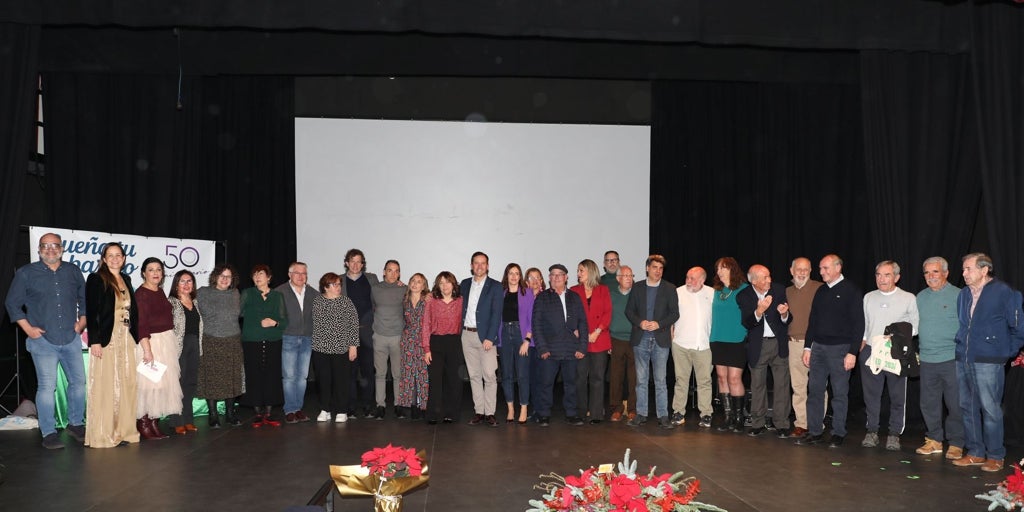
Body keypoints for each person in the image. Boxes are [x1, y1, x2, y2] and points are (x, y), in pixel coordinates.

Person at [5, 233, 87, 449]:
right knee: (46, 387)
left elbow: (84, 298)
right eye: (45, 245)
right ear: (40, 248)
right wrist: (28, 329)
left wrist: (83, 321)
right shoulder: (26, 273)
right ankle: (49, 432)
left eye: (55, 245)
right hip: (42, 342)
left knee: (79, 384)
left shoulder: (73, 271)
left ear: (62, 248)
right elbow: (12, 304)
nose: (50, 249)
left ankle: (76, 424)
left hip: (70, 338)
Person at [951, 253, 1024, 472]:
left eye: (968, 269)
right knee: (967, 406)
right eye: (963, 269)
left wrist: (1004, 353)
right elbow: (964, 326)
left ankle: (995, 455)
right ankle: (975, 452)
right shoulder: (963, 294)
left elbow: (1018, 327)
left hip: (989, 360)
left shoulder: (1004, 292)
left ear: (984, 270)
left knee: (990, 408)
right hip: (964, 357)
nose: (964, 273)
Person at [798, 254, 864, 448]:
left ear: (838, 268)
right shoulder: (820, 291)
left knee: (839, 393)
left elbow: (858, 324)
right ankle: (815, 431)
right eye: (820, 268)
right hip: (818, 348)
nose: (821, 272)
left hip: (841, 349)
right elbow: (813, 321)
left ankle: (838, 432)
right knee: (815, 391)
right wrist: (808, 347)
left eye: (825, 268)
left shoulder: (851, 290)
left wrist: (853, 352)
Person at [84, 242, 140, 448]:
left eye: (118, 255)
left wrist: (136, 336)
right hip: (107, 339)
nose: (115, 258)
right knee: (107, 385)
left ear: (124, 259)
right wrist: (95, 341)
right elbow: (92, 312)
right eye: (110, 255)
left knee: (127, 385)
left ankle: (123, 431)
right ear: (104, 259)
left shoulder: (126, 279)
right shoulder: (96, 279)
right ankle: (104, 433)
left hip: (126, 338)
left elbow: (133, 311)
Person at [860, 260, 919, 451]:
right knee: (871, 396)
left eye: (886, 275)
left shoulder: (908, 298)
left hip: (895, 353)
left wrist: (898, 337)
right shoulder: (869, 297)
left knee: (897, 395)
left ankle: (894, 434)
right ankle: (872, 431)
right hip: (871, 351)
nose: (882, 279)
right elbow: (865, 325)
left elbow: (916, 326)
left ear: (896, 277)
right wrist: (862, 345)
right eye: (878, 275)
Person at [915, 256, 964, 460]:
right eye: (927, 273)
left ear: (945, 273)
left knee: (955, 403)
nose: (930, 276)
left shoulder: (960, 295)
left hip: (952, 359)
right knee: (928, 402)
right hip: (926, 359)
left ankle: (956, 443)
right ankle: (934, 440)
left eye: (935, 272)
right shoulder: (920, 297)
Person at [625, 255, 680, 429]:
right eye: (655, 267)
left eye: (661, 268)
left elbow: (674, 314)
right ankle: (641, 414)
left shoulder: (670, 288)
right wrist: (640, 322)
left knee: (660, 380)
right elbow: (629, 311)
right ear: (647, 268)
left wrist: (659, 324)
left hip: (661, 339)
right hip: (640, 337)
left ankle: (663, 415)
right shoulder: (638, 287)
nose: (658, 271)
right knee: (641, 380)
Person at [737, 264, 791, 437]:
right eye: (765, 278)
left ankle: (781, 423)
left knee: (782, 384)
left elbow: (789, 318)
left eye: (769, 276)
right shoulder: (743, 296)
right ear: (753, 281)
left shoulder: (779, 290)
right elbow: (747, 322)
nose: (769, 280)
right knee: (757, 384)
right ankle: (757, 422)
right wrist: (759, 311)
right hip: (757, 345)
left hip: (778, 343)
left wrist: (784, 314)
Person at [133, 257, 184, 440]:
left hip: (166, 342)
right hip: (150, 343)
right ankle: (143, 423)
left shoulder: (160, 292)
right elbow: (141, 324)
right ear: (143, 273)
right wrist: (147, 350)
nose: (155, 273)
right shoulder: (141, 294)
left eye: (158, 270)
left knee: (160, 386)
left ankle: (154, 421)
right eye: (151, 269)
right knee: (149, 386)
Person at [532, 264, 588, 427]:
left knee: (571, 383)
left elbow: (583, 323)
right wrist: (542, 348)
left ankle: (571, 414)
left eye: (559, 275)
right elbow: (536, 324)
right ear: (549, 278)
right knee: (546, 383)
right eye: (553, 275)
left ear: (566, 277)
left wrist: (582, 347)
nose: (556, 278)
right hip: (549, 349)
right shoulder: (543, 298)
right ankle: (544, 414)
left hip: (571, 348)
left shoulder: (574, 297)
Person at [196, 264, 244, 428]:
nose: (225, 279)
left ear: (233, 280)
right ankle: (213, 415)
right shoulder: (203, 292)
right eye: (222, 275)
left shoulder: (235, 293)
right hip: (211, 340)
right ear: (215, 276)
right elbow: (200, 312)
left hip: (233, 340)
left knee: (232, 378)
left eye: (228, 276)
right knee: (212, 379)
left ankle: (230, 414)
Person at [240, 264, 288, 427]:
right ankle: (258, 413)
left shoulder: (277, 296)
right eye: (254, 274)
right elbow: (238, 313)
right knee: (253, 376)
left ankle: (269, 413)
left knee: (272, 376)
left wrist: (273, 323)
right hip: (251, 342)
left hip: (273, 342)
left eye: (261, 274)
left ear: (268, 277)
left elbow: (284, 321)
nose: (257, 277)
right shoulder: (247, 294)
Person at [460, 251, 503, 426]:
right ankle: (479, 411)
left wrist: (491, 337)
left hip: (485, 337)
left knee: (489, 375)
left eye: (483, 263)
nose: (479, 266)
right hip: (466, 335)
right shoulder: (463, 284)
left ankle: (490, 412)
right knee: (474, 376)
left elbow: (497, 314)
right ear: (471, 265)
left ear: (488, 266)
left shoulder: (495, 286)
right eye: (476, 263)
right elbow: (445, 293)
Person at [311, 272, 359, 423]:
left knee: (341, 381)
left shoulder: (346, 302)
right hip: (320, 348)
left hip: (341, 349)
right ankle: (325, 409)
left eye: (339, 284)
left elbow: (353, 324)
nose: (338, 287)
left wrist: (353, 346)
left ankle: (342, 410)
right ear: (325, 287)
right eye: (335, 284)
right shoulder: (317, 301)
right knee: (323, 381)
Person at [670, 267, 715, 428]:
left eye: (693, 279)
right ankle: (678, 412)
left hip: (703, 345)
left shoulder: (712, 294)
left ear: (702, 280)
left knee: (705, 381)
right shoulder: (678, 292)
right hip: (681, 345)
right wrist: (672, 339)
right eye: (687, 277)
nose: (689, 281)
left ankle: (706, 414)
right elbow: (671, 317)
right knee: (681, 380)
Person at [785, 257, 823, 439]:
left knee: (818, 387)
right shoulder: (786, 292)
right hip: (793, 343)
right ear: (791, 271)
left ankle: (817, 423)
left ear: (811, 271)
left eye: (806, 269)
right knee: (798, 387)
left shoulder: (819, 288)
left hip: (816, 345)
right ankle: (801, 424)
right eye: (798, 269)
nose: (802, 272)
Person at [710, 257, 749, 432]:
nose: (719, 271)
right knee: (721, 378)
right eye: (718, 268)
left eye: (723, 268)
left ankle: (740, 418)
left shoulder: (744, 289)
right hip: (718, 338)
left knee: (734, 378)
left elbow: (750, 315)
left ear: (732, 269)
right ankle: (728, 417)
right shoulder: (716, 291)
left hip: (737, 339)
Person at [571, 259, 611, 424]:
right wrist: (576, 331)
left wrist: (597, 331)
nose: (578, 273)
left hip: (599, 339)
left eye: (581, 270)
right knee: (580, 378)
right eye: (578, 271)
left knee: (597, 378)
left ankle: (596, 414)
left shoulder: (603, 290)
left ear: (591, 272)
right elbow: (570, 314)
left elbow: (607, 313)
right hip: (580, 340)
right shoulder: (573, 291)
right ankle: (581, 412)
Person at [276, 262, 317, 424]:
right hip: (288, 337)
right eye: (297, 273)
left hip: (307, 338)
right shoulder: (279, 292)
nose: (301, 276)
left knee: (303, 377)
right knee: (289, 376)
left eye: (304, 273)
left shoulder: (313, 293)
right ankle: (289, 409)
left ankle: (298, 408)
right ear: (289, 274)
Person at [340, 249, 379, 418]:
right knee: (349, 372)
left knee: (368, 372)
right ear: (347, 263)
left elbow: (385, 291)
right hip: (347, 333)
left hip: (367, 333)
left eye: (359, 261)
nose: (356, 265)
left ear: (363, 264)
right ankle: (350, 407)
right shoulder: (338, 281)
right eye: (352, 261)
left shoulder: (372, 279)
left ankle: (368, 406)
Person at [422, 271, 464, 424]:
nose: (445, 286)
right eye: (441, 283)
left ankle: (451, 413)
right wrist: (426, 349)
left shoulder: (461, 300)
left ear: (453, 284)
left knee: (453, 380)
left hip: (454, 342)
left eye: (447, 282)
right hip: (436, 342)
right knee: (435, 380)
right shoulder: (432, 300)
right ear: (437, 286)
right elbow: (426, 324)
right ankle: (433, 413)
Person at [497, 263, 534, 425]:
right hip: (504, 334)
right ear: (507, 275)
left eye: (517, 273)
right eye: (511, 273)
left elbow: (532, 318)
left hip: (521, 335)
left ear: (520, 277)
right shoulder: (501, 293)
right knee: (506, 374)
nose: (513, 276)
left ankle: (524, 408)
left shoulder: (527, 293)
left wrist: (527, 339)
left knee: (522, 374)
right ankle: (510, 408)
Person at [167, 270, 202, 435]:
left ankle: (188, 419)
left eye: (190, 281)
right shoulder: (171, 303)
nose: (187, 284)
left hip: (195, 345)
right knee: (178, 385)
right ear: (176, 284)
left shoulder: (196, 302)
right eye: (182, 281)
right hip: (178, 347)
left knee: (190, 384)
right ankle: (176, 420)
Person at [371, 260, 406, 419]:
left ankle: (398, 404)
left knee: (398, 374)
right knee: (380, 374)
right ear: (384, 271)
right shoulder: (375, 288)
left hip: (398, 336)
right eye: (390, 270)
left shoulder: (404, 289)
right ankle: (380, 405)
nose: (393, 273)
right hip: (379, 336)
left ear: (399, 273)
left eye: (396, 271)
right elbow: (372, 307)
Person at [396, 273, 430, 420]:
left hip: (423, 339)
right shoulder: (404, 300)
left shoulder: (428, 300)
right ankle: (411, 406)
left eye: (419, 282)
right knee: (408, 375)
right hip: (408, 340)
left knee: (423, 374)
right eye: (413, 281)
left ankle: (423, 406)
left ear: (424, 285)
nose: (415, 284)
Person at [608, 266, 638, 423]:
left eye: (630, 275)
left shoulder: (637, 295)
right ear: (618, 278)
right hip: (616, 339)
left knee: (634, 378)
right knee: (616, 376)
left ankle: (632, 409)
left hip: (634, 340)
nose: (628, 278)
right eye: (625, 275)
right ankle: (617, 408)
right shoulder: (611, 296)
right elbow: (606, 318)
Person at [525, 267, 547, 416]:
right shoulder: (522, 297)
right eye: (531, 278)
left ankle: (542, 410)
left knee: (543, 379)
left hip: (543, 344)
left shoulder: (547, 297)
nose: (535, 281)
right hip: (527, 345)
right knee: (530, 378)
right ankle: (535, 409)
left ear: (542, 281)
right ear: (526, 282)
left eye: (538, 277)